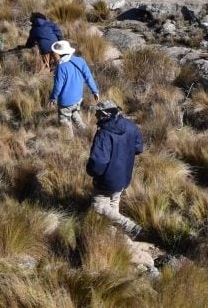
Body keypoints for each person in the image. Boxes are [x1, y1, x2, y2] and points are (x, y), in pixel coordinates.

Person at [86, 100, 144, 237]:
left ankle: (130, 226)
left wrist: (91, 171)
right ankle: (116, 238)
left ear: (105, 114)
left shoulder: (104, 134)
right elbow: (138, 148)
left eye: (98, 113)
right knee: (113, 206)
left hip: (106, 180)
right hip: (124, 176)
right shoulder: (131, 126)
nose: (95, 115)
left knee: (98, 207)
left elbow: (98, 163)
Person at [49, 40, 99, 130]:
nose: (52, 55)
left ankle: (69, 141)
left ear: (59, 54)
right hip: (78, 98)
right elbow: (88, 77)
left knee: (65, 122)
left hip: (65, 102)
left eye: (54, 53)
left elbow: (57, 87)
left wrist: (53, 98)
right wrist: (95, 91)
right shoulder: (80, 60)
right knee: (74, 112)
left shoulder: (61, 67)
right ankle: (83, 130)